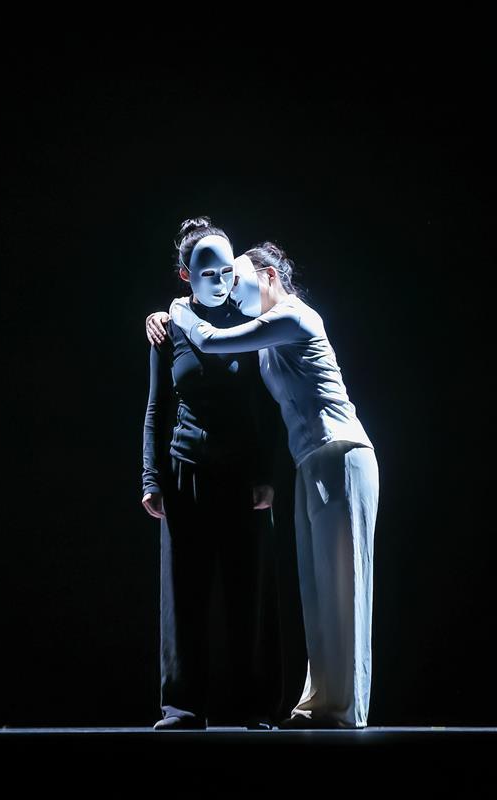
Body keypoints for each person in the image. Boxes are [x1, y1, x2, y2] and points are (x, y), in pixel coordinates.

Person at [148, 241, 379, 729]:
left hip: (341, 451)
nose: (229, 288)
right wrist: (163, 318)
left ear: (268, 276)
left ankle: (346, 709)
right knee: (317, 588)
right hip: (310, 459)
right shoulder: (267, 331)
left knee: (345, 586)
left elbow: (212, 341)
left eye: (236, 277)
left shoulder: (291, 317)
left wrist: (174, 309)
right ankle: (320, 702)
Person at [142, 217, 282, 730]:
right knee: (185, 595)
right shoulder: (170, 328)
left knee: (249, 591)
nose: (220, 281)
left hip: (242, 476)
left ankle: (257, 706)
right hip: (187, 472)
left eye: (226, 271)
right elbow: (157, 406)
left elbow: (265, 406)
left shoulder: (249, 320)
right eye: (207, 273)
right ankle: (183, 706)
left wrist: (266, 473)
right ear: (186, 275)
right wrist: (150, 477)